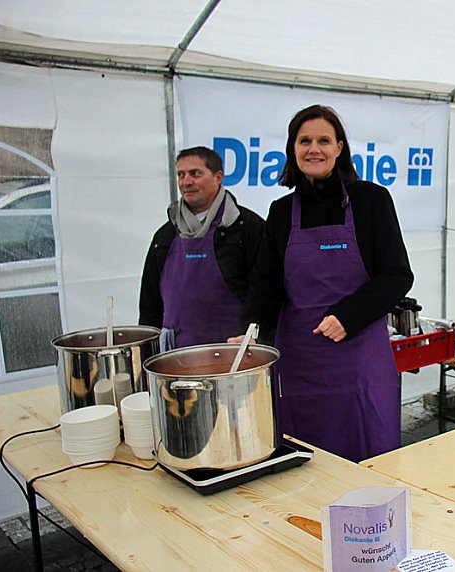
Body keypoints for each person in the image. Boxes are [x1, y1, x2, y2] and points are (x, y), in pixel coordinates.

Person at [236, 104, 414, 463]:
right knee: (305, 459)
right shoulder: (282, 212)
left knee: (367, 456)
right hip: (300, 362)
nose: (313, 148)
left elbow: (397, 275)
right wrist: (249, 332)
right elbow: (266, 283)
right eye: (304, 141)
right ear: (292, 150)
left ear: (339, 148)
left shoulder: (371, 201)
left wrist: (348, 316)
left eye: (323, 140)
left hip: (359, 357)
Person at [139, 146, 265, 348]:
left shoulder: (247, 228)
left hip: (235, 356)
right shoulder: (164, 236)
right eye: (181, 175)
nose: (186, 182)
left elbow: (264, 294)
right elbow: (150, 307)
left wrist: (260, 339)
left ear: (218, 177)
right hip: (177, 360)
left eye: (195, 174)